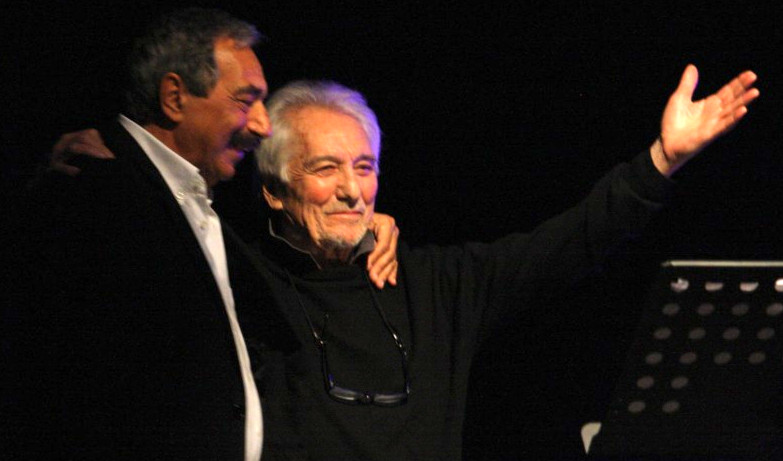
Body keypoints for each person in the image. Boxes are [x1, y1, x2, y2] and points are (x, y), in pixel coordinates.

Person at [32, 69, 759, 458]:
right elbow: (144, 249)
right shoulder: (237, 282)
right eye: (326, 168)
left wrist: (662, 159)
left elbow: (570, 243)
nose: (353, 189)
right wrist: (95, 175)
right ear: (275, 189)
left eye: (365, 166)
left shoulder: (435, 285)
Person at [2, 8, 397, 460]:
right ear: (174, 98)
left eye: (363, 168)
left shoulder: (196, 204)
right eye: (245, 101)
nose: (262, 125)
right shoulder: (91, 187)